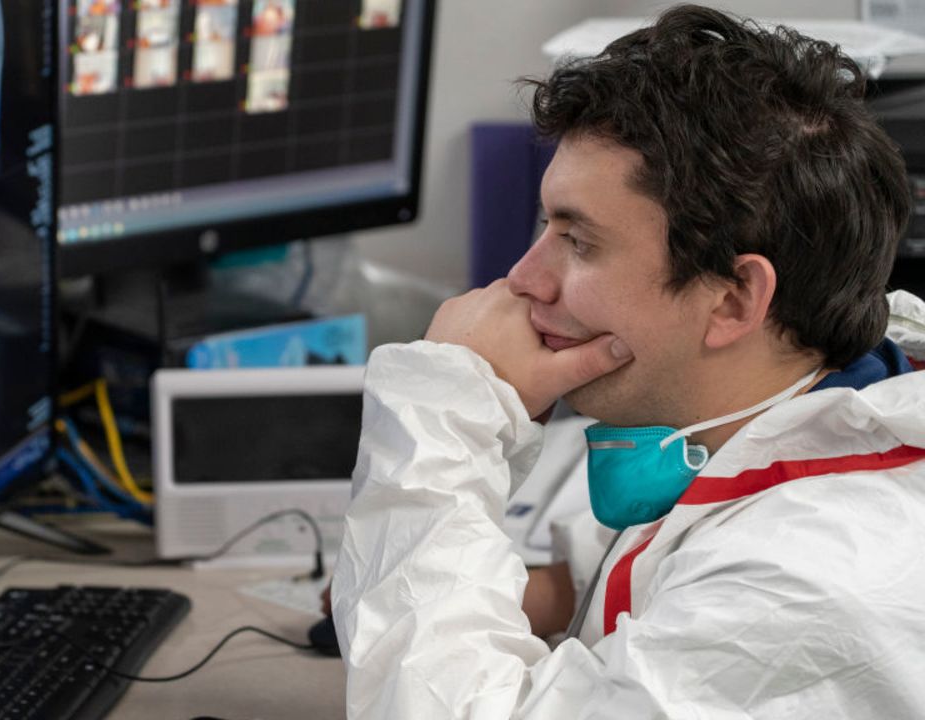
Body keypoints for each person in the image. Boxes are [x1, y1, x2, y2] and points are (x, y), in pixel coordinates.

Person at [331, 5, 925, 718]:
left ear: (735, 299)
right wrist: (543, 591)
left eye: (579, 243)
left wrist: (445, 415)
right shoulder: (819, 386)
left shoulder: (803, 582)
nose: (524, 278)